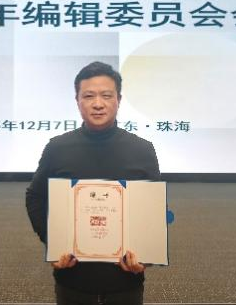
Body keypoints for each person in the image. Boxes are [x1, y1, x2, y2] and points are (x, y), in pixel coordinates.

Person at [26, 61, 161, 305]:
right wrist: (52, 241)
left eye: (106, 95)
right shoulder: (58, 147)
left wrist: (146, 256)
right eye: (88, 96)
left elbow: (154, 209)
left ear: (118, 99)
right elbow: (35, 197)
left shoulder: (142, 149)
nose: (98, 104)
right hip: (73, 277)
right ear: (77, 100)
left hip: (125, 279)